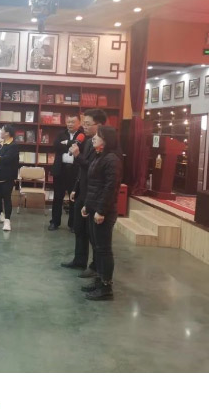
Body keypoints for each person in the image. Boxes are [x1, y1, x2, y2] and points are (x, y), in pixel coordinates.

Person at [80, 125, 123, 301]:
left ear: (106, 140)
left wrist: (101, 210)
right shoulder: (100, 156)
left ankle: (106, 287)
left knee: (104, 249)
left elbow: (110, 188)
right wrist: (87, 205)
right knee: (97, 247)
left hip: (103, 211)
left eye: (98, 135)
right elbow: (93, 186)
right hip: (94, 208)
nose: (94, 138)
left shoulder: (112, 160)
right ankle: (99, 280)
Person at [63, 109, 107, 274]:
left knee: (92, 234)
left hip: (93, 195)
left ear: (99, 125)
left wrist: (77, 156)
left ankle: (94, 267)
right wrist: (75, 188)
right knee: (79, 228)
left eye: (88, 124)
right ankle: (79, 260)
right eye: (84, 124)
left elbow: (93, 169)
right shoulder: (87, 141)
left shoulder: (103, 145)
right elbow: (82, 170)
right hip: (82, 191)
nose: (84, 127)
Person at [48, 113, 85, 231]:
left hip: (75, 171)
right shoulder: (61, 134)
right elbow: (56, 146)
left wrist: (66, 143)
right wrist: (71, 145)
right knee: (57, 198)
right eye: (68, 122)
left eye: (73, 122)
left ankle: (73, 224)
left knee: (74, 198)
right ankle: (55, 222)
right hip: (61, 170)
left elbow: (82, 149)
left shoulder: (83, 135)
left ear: (79, 123)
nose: (70, 124)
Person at [0, 124, 19, 231]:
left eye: (2, 130)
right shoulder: (0, 144)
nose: (0, 132)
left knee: (7, 198)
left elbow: (7, 159)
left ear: (7, 133)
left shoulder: (13, 145)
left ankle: (7, 221)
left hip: (8, 177)